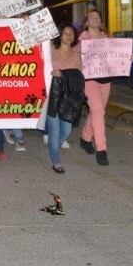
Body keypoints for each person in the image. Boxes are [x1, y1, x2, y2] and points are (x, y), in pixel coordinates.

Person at [45, 24, 84, 174]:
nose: (69, 35)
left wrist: (63, 74)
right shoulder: (50, 50)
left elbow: (79, 77)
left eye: (71, 33)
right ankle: (56, 161)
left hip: (69, 98)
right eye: (65, 32)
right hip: (53, 96)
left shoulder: (76, 55)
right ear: (60, 35)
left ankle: (54, 146)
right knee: (54, 130)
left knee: (66, 130)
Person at [79, 9, 111, 166]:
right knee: (98, 110)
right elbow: (76, 55)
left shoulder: (106, 38)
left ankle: (85, 138)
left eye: (97, 17)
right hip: (89, 79)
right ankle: (101, 149)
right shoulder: (82, 39)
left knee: (98, 111)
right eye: (91, 17)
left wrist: (128, 57)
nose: (95, 19)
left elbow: (115, 56)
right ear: (86, 22)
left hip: (105, 79)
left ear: (101, 21)